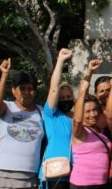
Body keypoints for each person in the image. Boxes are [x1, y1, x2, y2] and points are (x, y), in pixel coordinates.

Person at [0, 59, 45, 189]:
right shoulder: (7, 107)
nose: (26, 92)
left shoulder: (41, 111)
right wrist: (4, 75)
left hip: (30, 175)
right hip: (4, 173)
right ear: (14, 91)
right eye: (22, 88)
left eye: (30, 89)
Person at [40, 49, 76, 189]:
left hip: (75, 174)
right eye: (61, 98)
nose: (65, 100)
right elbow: (54, 89)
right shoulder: (51, 115)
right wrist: (60, 61)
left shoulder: (77, 119)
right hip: (55, 172)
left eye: (68, 97)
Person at [70, 79, 112, 188]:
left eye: (95, 110)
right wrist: (81, 93)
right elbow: (77, 121)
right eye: (88, 112)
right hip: (83, 185)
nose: (93, 114)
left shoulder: (100, 129)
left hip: (102, 183)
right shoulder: (80, 132)